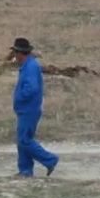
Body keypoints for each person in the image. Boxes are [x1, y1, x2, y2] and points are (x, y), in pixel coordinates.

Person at [10, 37, 59, 178]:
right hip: (26, 109)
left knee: (24, 140)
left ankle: (50, 159)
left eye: (15, 53)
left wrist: (20, 98)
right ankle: (25, 171)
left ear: (20, 53)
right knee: (22, 140)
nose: (14, 56)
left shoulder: (31, 66)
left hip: (29, 109)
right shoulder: (28, 65)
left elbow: (32, 88)